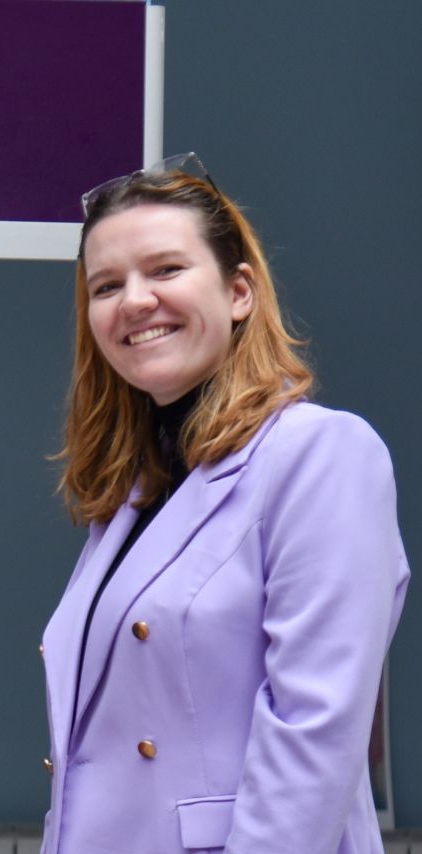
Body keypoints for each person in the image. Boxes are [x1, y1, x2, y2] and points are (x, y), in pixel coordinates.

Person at [40, 153, 410, 853]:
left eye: (165, 269)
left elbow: (312, 738)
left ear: (239, 292)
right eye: (107, 285)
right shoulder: (136, 491)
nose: (134, 301)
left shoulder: (320, 453)